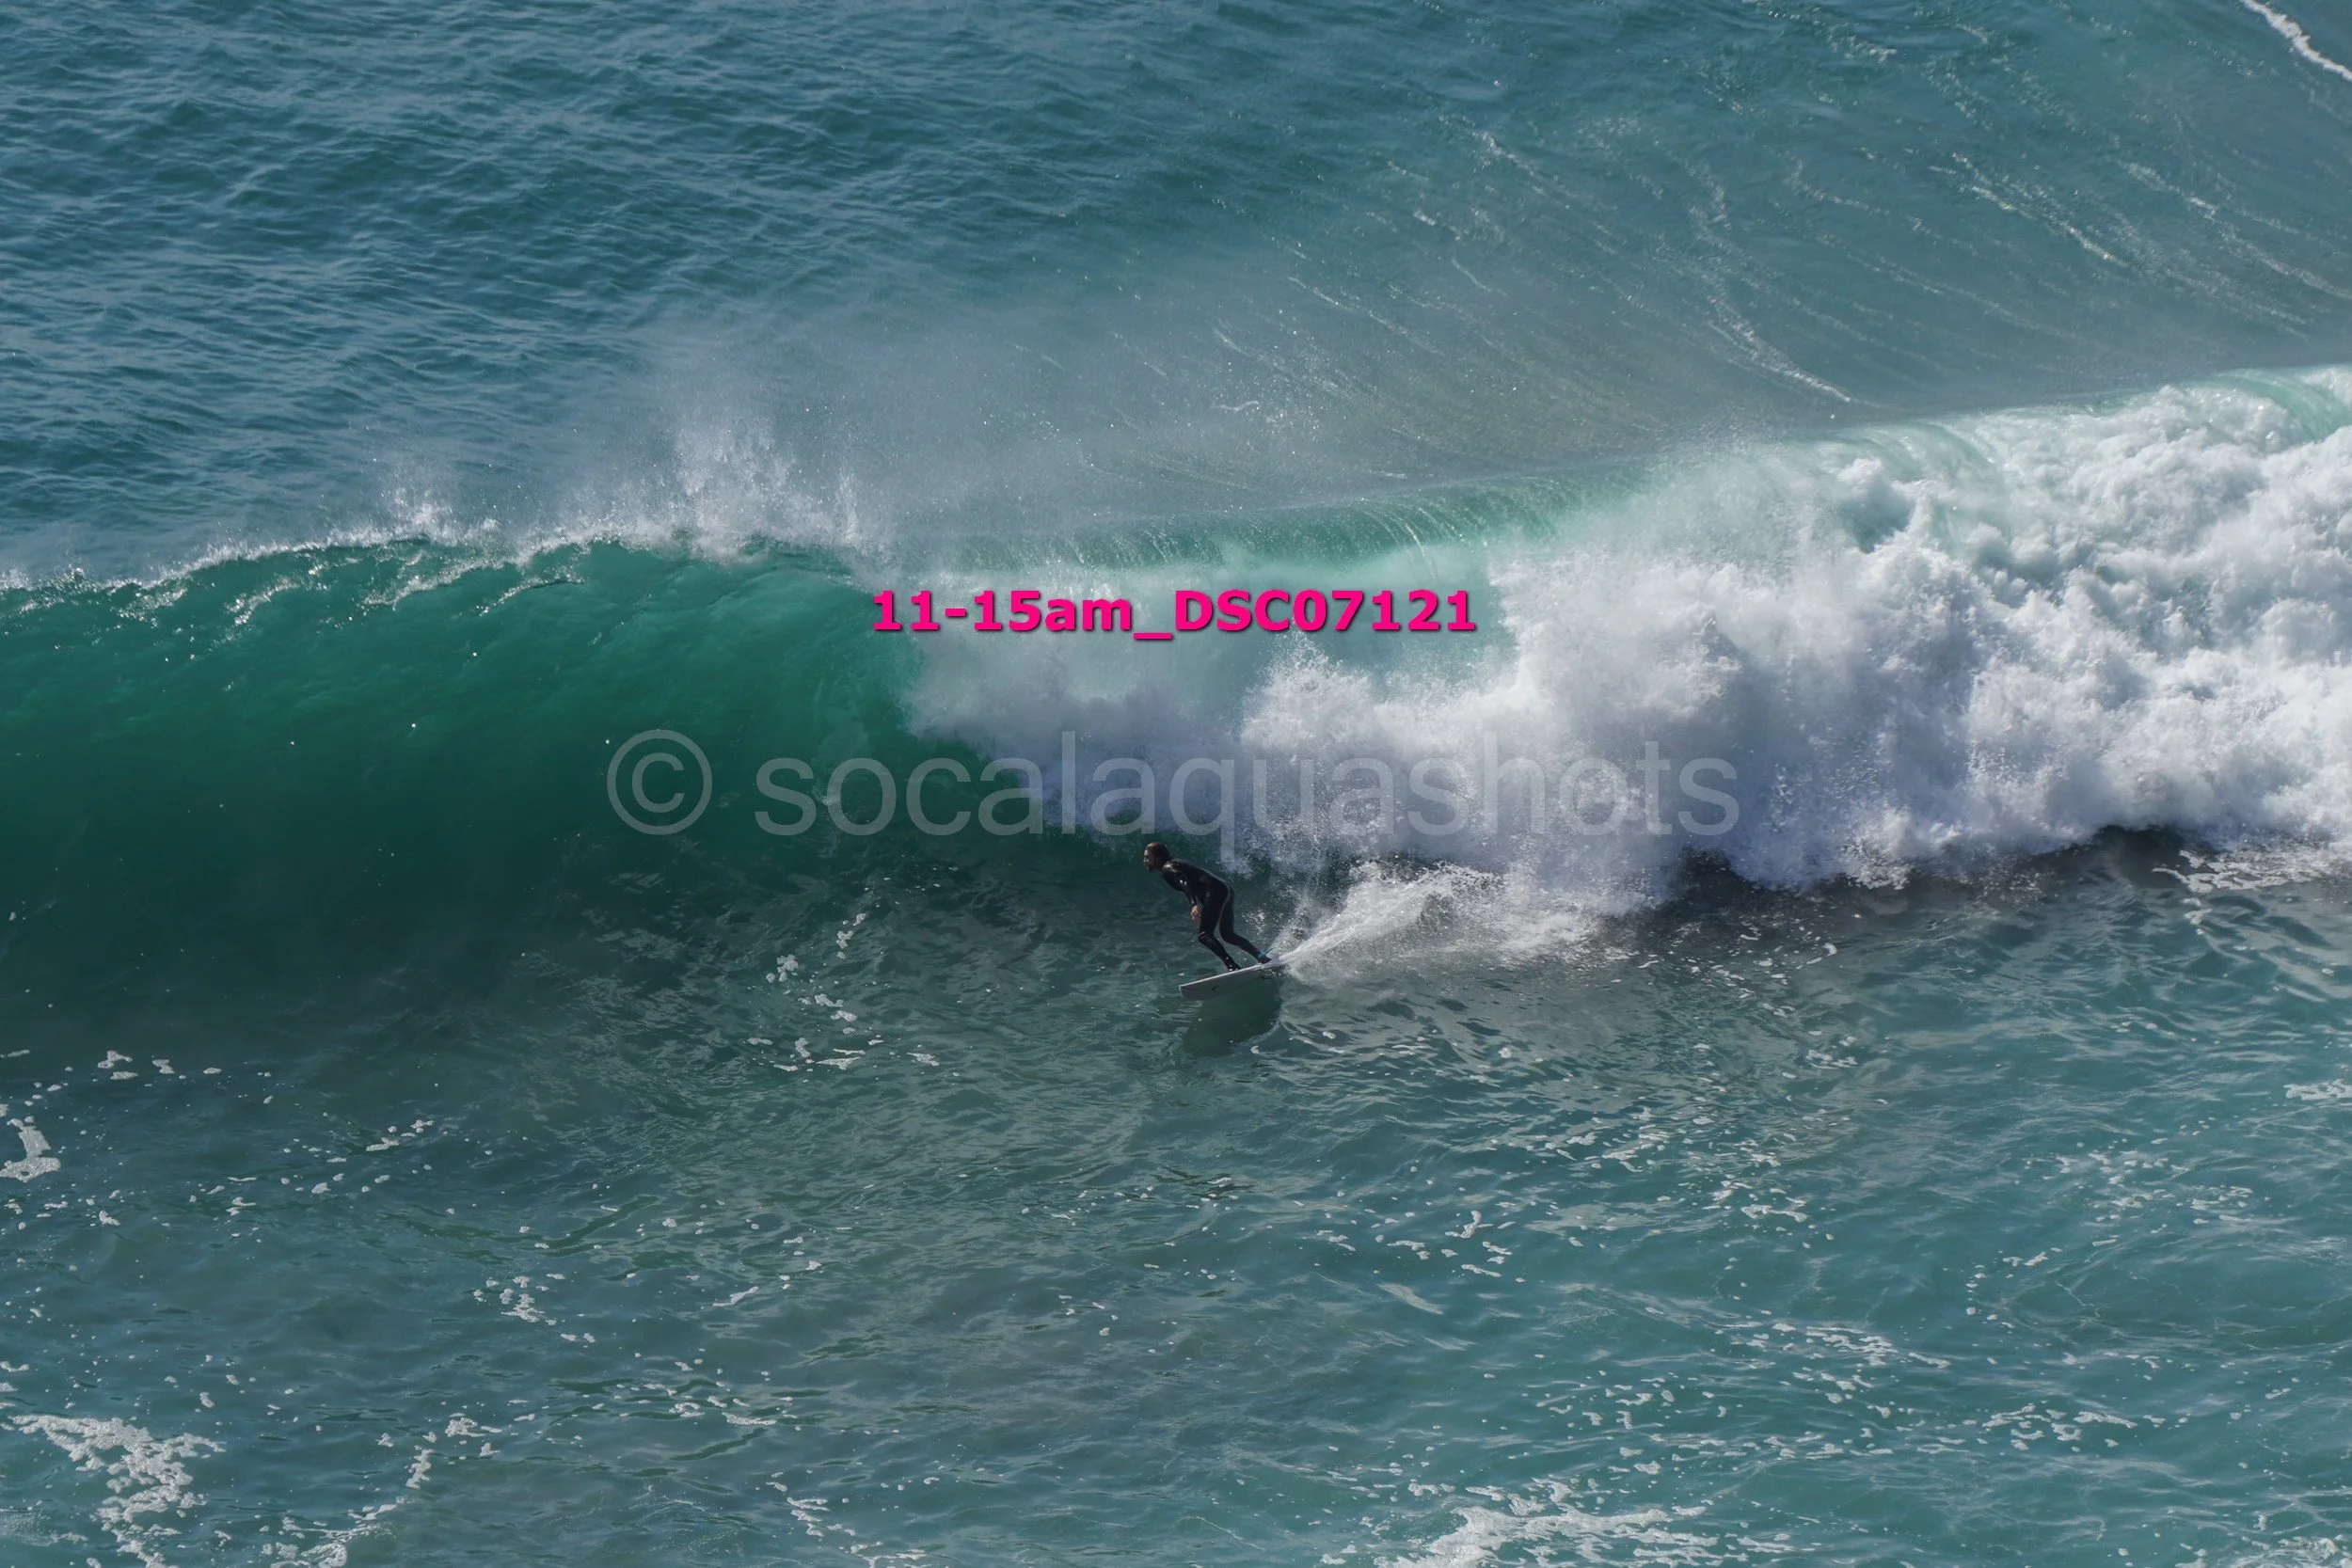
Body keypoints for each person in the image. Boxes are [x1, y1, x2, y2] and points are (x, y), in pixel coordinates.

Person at [1143, 841, 1271, 971]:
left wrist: (1193, 904)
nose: (1145, 860)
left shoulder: (1167, 868)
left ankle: (1232, 966)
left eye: (1148, 857)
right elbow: (1197, 884)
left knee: (1204, 935)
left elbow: (1184, 882)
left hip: (1215, 892)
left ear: (1158, 858)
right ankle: (1261, 956)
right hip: (1225, 889)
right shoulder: (1176, 863)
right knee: (1228, 935)